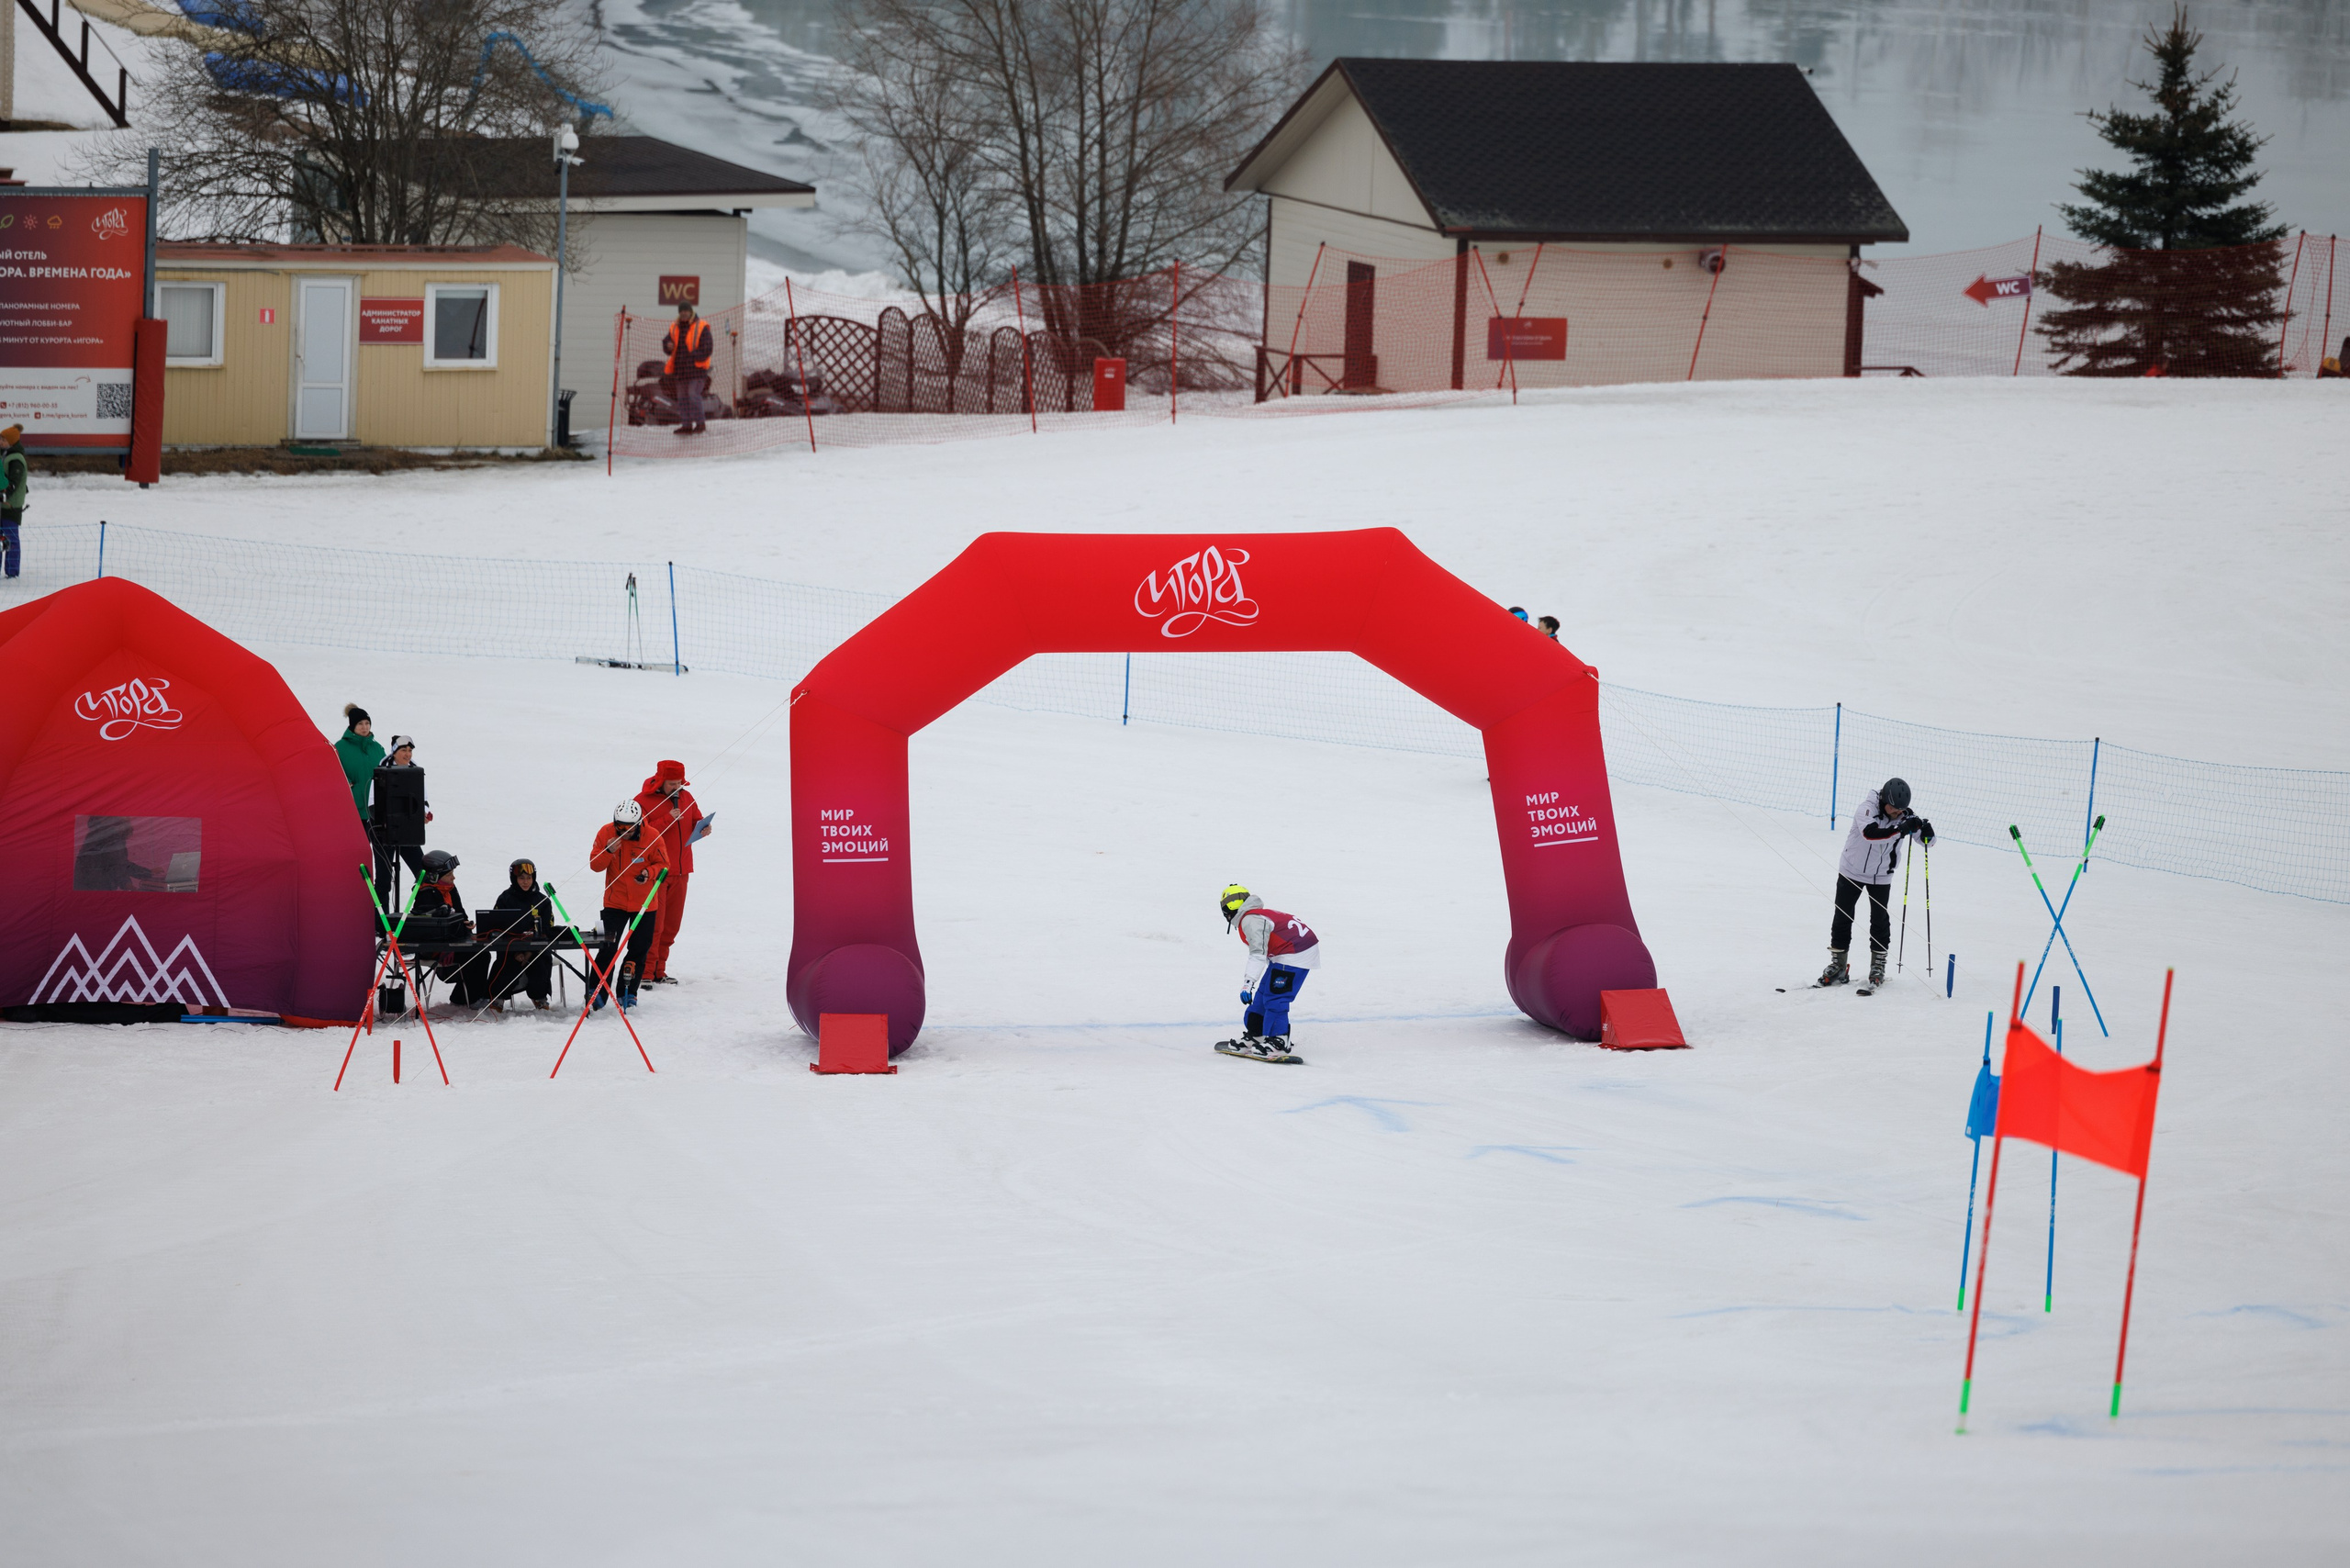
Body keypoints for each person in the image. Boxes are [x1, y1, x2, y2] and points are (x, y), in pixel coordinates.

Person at [1819, 777, 1934, 990]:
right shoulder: (1867, 809)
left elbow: (1926, 841)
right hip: (1851, 870)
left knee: (1879, 919)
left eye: (1902, 810)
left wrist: (1927, 833)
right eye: (1894, 809)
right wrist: (1901, 829)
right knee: (1843, 916)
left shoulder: (1904, 815)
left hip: (1881, 876)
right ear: (1884, 799)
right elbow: (1870, 834)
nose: (1898, 813)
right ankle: (1838, 965)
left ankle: (1878, 965)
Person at [1216, 883, 1321, 1060]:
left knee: (1276, 997)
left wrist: (1247, 985)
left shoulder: (1251, 920)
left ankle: (1279, 1041)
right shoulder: (1254, 916)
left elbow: (1258, 955)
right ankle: (1256, 1035)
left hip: (1295, 953)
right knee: (1264, 994)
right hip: (1285, 953)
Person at [590, 800, 672, 1010]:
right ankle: (597, 991)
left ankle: (628, 992)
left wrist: (649, 873)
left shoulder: (652, 836)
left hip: (645, 905)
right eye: (620, 827)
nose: (624, 832)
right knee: (607, 948)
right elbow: (595, 866)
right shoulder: (605, 833)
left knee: (638, 950)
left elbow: (664, 865)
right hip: (614, 903)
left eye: (629, 828)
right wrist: (608, 851)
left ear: (638, 824)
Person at [633, 759, 707, 983]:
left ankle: (659, 971)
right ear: (661, 780)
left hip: (681, 871)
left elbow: (696, 819)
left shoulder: (686, 797)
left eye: (680, 783)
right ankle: (644, 973)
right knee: (655, 925)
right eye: (672, 784)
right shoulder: (642, 801)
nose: (677, 788)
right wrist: (667, 818)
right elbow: (639, 834)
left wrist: (704, 827)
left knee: (671, 926)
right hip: (656, 872)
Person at [487, 857, 556, 1012]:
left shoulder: (542, 901)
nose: (526, 882)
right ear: (514, 879)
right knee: (506, 962)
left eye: (529, 878)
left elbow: (547, 929)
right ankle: (498, 998)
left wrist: (528, 952)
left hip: (535, 950)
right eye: (521, 878)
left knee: (541, 962)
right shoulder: (505, 899)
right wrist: (518, 952)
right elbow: (495, 927)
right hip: (510, 949)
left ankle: (539, 997)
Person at [369, 734, 430, 911]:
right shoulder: (382, 770)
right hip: (383, 832)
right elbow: (372, 804)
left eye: (410, 750)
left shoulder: (415, 771)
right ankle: (381, 921)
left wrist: (424, 814)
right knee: (384, 879)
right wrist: (385, 822)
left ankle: (423, 910)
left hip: (407, 830)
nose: (407, 754)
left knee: (423, 873)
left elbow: (422, 800)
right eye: (403, 750)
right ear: (394, 752)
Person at [663, 301, 715, 434]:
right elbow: (666, 341)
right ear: (679, 313)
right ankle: (686, 425)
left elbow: (708, 348)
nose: (683, 313)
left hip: (697, 371)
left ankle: (700, 424)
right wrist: (667, 345)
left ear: (691, 311)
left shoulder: (701, 326)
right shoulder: (675, 327)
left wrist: (693, 357)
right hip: (681, 370)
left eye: (686, 311)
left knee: (693, 395)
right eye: (681, 311)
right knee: (682, 398)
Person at [335, 704, 383, 820]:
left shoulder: (377, 747)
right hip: (353, 809)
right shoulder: (340, 747)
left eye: (367, 723)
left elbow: (387, 769)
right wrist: (347, 783)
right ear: (352, 726)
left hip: (376, 808)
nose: (365, 727)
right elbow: (331, 772)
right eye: (360, 724)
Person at [1, 423, 28, 578]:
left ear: (10, 442)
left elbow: (14, 482)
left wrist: (6, 495)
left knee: (11, 538)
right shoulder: (6, 455)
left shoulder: (16, 459)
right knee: (1, 537)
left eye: (3, 439)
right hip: (2, 505)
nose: (0, 441)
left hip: (11, 506)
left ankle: (12, 571)